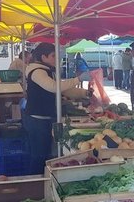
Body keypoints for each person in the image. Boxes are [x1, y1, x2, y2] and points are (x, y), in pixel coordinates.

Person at [23, 43, 90, 174]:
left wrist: (84, 93)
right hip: (37, 120)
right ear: (43, 57)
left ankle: (45, 180)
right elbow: (53, 87)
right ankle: (35, 183)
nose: (56, 59)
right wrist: (78, 79)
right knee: (39, 155)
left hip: (46, 118)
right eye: (53, 56)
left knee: (46, 153)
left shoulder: (48, 70)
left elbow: (63, 89)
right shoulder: (37, 71)